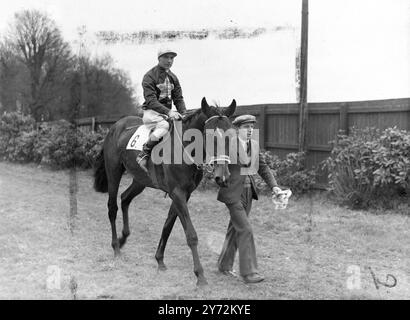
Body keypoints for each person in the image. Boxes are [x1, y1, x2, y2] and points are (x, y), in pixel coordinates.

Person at [217, 114, 280, 284]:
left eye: (252, 127)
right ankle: (249, 273)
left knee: (235, 229)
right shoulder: (228, 143)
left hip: (248, 193)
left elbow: (263, 167)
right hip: (232, 194)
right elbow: (218, 164)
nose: (250, 130)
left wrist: (274, 186)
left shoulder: (254, 145)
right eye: (246, 127)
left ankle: (224, 265)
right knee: (245, 229)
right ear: (237, 129)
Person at [136, 46, 187, 172]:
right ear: (159, 58)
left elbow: (178, 98)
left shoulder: (173, 77)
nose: (169, 60)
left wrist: (184, 113)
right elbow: (151, 101)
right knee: (164, 126)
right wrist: (169, 112)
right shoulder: (149, 76)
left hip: (166, 114)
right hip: (152, 113)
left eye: (172, 58)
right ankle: (144, 153)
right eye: (166, 57)